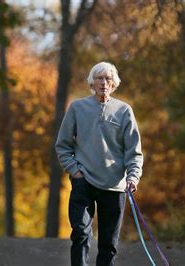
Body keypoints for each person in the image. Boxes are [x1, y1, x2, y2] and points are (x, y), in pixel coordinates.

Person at [55, 61, 143, 266]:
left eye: (108, 79)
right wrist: (75, 171)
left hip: (115, 186)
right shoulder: (78, 108)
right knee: (81, 234)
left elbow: (134, 151)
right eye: (99, 78)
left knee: (108, 244)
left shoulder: (124, 111)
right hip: (83, 181)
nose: (104, 82)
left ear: (114, 84)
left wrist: (133, 176)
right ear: (92, 83)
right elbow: (63, 145)